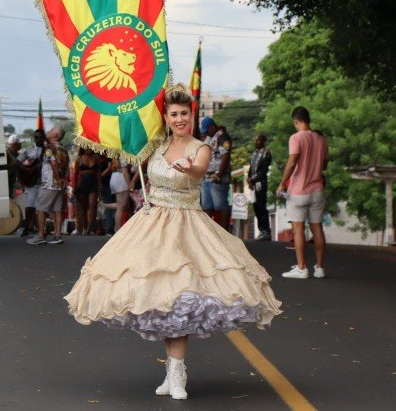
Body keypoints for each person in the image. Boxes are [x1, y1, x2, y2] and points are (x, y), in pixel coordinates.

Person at [65, 84, 281, 400]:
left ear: (191, 116)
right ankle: (172, 372)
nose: (179, 119)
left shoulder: (201, 147)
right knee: (162, 303)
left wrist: (187, 167)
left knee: (179, 299)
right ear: (165, 117)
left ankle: (178, 374)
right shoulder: (154, 146)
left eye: (184, 114)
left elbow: (199, 172)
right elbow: (129, 147)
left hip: (186, 227)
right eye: (174, 115)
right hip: (152, 225)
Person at [276, 106, 329, 279]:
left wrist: (282, 184)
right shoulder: (321, 139)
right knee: (318, 229)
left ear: (296, 121)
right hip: (317, 190)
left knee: (298, 230)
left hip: (298, 191)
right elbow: (325, 164)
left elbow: (292, 163)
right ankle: (320, 268)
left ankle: (302, 268)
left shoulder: (296, 138)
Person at [27, 126, 69, 245]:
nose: (49, 131)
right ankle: (57, 235)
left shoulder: (50, 149)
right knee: (57, 210)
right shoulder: (63, 149)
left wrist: (58, 179)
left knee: (40, 208)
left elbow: (53, 164)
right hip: (59, 185)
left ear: (55, 135)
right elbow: (66, 167)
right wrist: (63, 180)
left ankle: (40, 235)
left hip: (49, 184)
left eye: (51, 130)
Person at [199, 117, 232, 229]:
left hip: (218, 178)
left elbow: (226, 156)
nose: (206, 133)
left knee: (220, 205)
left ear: (212, 127)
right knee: (206, 206)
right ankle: (207, 233)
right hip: (206, 178)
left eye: (206, 130)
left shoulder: (223, 137)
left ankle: (225, 231)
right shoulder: (209, 138)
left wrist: (219, 175)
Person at [18, 129, 45, 236]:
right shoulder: (29, 150)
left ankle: (40, 228)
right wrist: (27, 170)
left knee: (41, 207)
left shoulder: (48, 150)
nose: (38, 139)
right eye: (36, 137)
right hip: (31, 182)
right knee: (30, 205)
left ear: (44, 138)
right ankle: (28, 226)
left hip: (44, 182)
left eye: (40, 137)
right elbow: (17, 162)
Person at [248, 134, 272, 240]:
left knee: (262, 206)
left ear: (263, 141)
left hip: (261, 183)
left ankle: (266, 231)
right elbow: (251, 168)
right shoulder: (254, 153)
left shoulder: (266, 153)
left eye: (258, 140)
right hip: (253, 184)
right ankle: (261, 230)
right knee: (256, 207)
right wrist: (249, 179)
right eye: (255, 139)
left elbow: (263, 171)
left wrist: (253, 178)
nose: (255, 141)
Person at [73, 148, 100, 235]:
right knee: (83, 207)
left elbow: (98, 173)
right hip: (82, 183)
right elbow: (75, 174)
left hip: (93, 183)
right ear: (83, 148)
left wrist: (100, 185)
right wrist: (74, 187)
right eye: (86, 146)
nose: (89, 148)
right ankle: (84, 227)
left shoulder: (96, 158)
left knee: (92, 205)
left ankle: (89, 228)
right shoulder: (79, 159)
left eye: (90, 146)